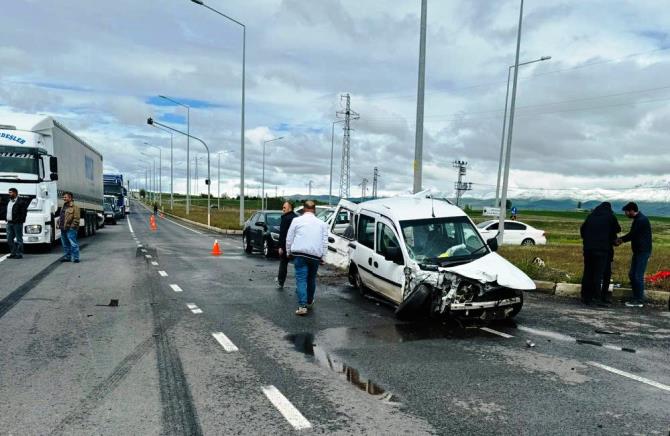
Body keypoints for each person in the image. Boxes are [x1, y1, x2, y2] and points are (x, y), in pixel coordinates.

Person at [286, 200, 328, 316]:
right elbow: (325, 242)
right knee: (311, 279)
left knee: (301, 279)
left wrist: (288, 252)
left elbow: (289, 238)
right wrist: (323, 257)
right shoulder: (322, 224)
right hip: (315, 256)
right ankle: (310, 300)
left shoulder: (296, 221)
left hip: (300, 254)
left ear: (304, 209)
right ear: (314, 210)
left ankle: (302, 306)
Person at [580, 202, 620, 306]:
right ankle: (597, 298)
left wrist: (589, 240)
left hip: (588, 249)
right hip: (602, 250)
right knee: (599, 273)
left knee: (588, 272)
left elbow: (582, 230)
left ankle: (585, 296)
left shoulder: (590, 216)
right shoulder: (610, 216)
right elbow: (617, 229)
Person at [615, 202, 652, 307]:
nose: (625, 214)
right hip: (638, 251)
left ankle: (639, 300)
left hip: (643, 251)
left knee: (637, 275)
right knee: (632, 274)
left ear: (631, 210)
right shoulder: (639, 219)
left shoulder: (641, 220)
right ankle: (636, 296)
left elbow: (632, 234)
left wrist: (620, 240)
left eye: (626, 212)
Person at [0, 188, 30, 259]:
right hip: (9, 223)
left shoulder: (21, 202)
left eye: (11, 192)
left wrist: (20, 221)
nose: (9, 194)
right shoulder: (8, 201)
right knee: (9, 239)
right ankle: (13, 253)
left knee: (19, 239)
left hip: (17, 223)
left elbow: (24, 213)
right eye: (9, 192)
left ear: (15, 193)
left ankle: (19, 253)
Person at [276, 201, 297, 289]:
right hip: (296, 246)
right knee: (298, 265)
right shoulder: (296, 218)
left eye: (284, 208)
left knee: (283, 263)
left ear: (290, 208)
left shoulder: (285, 218)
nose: (283, 209)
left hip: (286, 245)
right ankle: (299, 284)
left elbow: (283, 234)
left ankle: (281, 282)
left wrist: (280, 246)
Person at [58, 192, 80, 263]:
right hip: (63, 228)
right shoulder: (63, 206)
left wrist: (72, 227)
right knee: (65, 244)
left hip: (70, 229)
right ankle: (67, 257)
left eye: (65, 197)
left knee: (73, 244)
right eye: (63, 197)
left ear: (70, 198)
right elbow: (62, 217)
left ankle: (76, 258)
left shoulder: (75, 207)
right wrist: (58, 223)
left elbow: (76, 219)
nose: (64, 198)